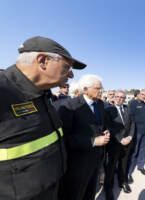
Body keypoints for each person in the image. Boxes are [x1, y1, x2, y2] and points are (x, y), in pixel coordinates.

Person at [0, 36, 86, 200]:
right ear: (43, 61)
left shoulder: (42, 94)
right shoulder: (3, 89)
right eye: (66, 67)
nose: (71, 75)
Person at [56, 74, 110, 200]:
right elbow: (65, 139)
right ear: (85, 89)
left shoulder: (100, 105)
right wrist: (93, 141)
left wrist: (104, 132)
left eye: (102, 88)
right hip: (77, 165)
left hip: (96, 160)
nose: (101, 91)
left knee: (89, 193)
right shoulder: (69, 106)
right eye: (98, 88)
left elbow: (99, 126)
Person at [104, 90, 135, 200]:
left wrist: (130, 137)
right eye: (117, 96)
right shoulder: (108, 110)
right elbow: (108, 127)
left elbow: (132, 124)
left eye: (122, 97)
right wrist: (120, 139)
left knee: (124, 164)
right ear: (114, 97)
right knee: (111, 167)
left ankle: (122, 182)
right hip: (114, 143)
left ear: (124, 98)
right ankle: (108, 188)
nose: (119, 99)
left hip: (127, 142)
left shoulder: (128, 109)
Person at [128, 90, 145, 183]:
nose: (144, 96)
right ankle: (128, 172)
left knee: (142, 150)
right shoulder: (133, 103)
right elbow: (129, 117)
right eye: (142, 94)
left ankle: (140, 166)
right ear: (138, 95)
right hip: (136, 132)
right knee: (134, 151)